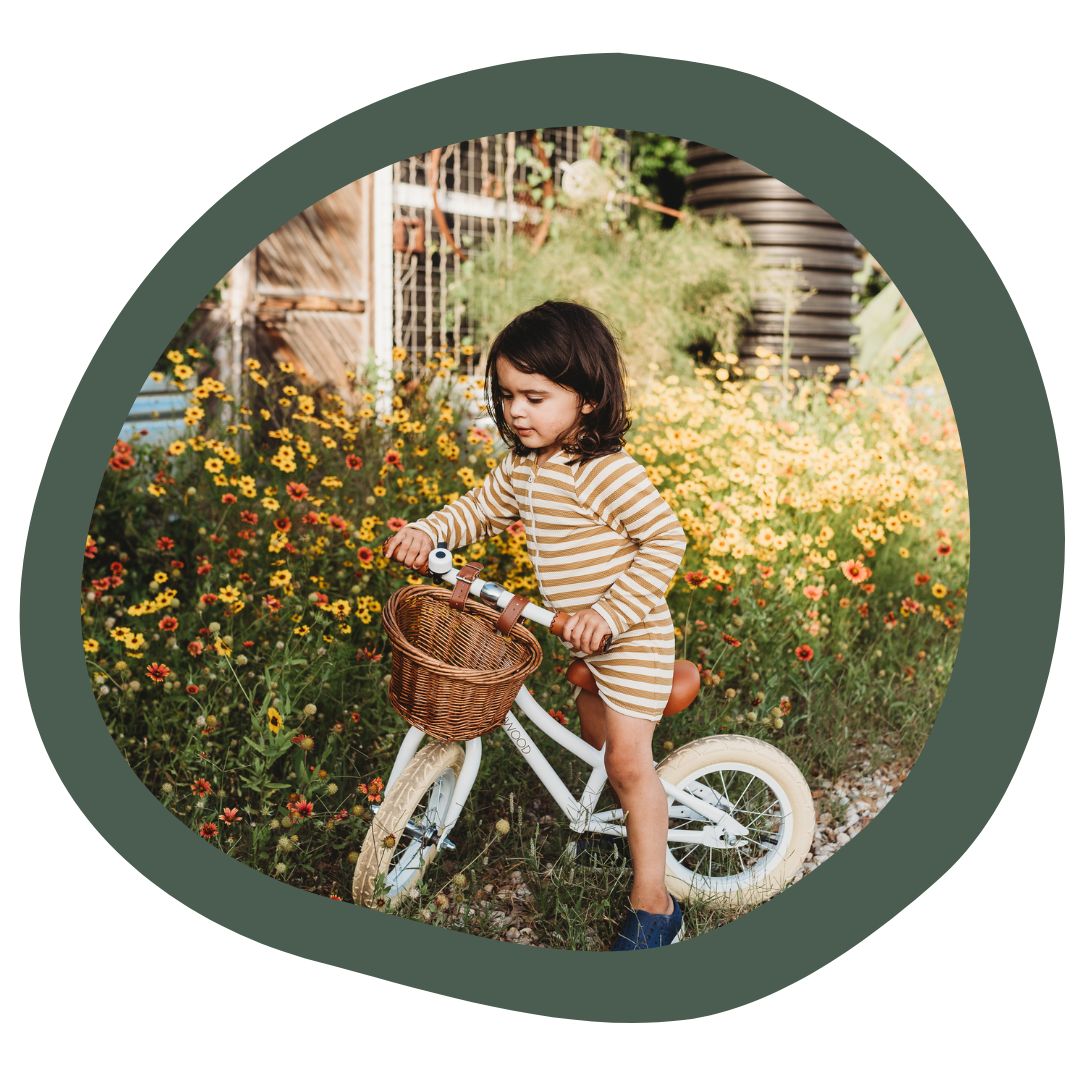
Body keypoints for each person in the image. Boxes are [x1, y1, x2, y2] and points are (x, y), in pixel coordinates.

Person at [384, 300, 689, 950]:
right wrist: (429, 530)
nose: (516, 411)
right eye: (506, 395)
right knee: (597, 743)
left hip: (630, 638)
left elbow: (666, 540)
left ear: (586, 397)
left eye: (535, 395)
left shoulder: (604, 472)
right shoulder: (525, 468)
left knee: (630, 765)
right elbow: (480, 509)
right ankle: (619, 826)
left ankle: (655, 904)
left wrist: (609, 614)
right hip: (576, 632)